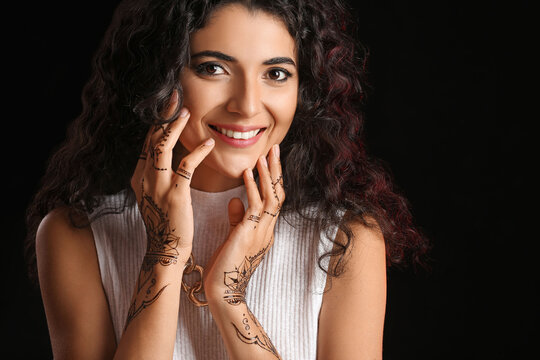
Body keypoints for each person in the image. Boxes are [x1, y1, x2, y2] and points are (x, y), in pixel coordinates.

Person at [25, 0, 428, 358]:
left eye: (276, 73)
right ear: (161, 80)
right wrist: (165, 254)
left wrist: (229, 297)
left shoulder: (345, 239)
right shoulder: (76, 234)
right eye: (213, 68)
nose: (248, 104)